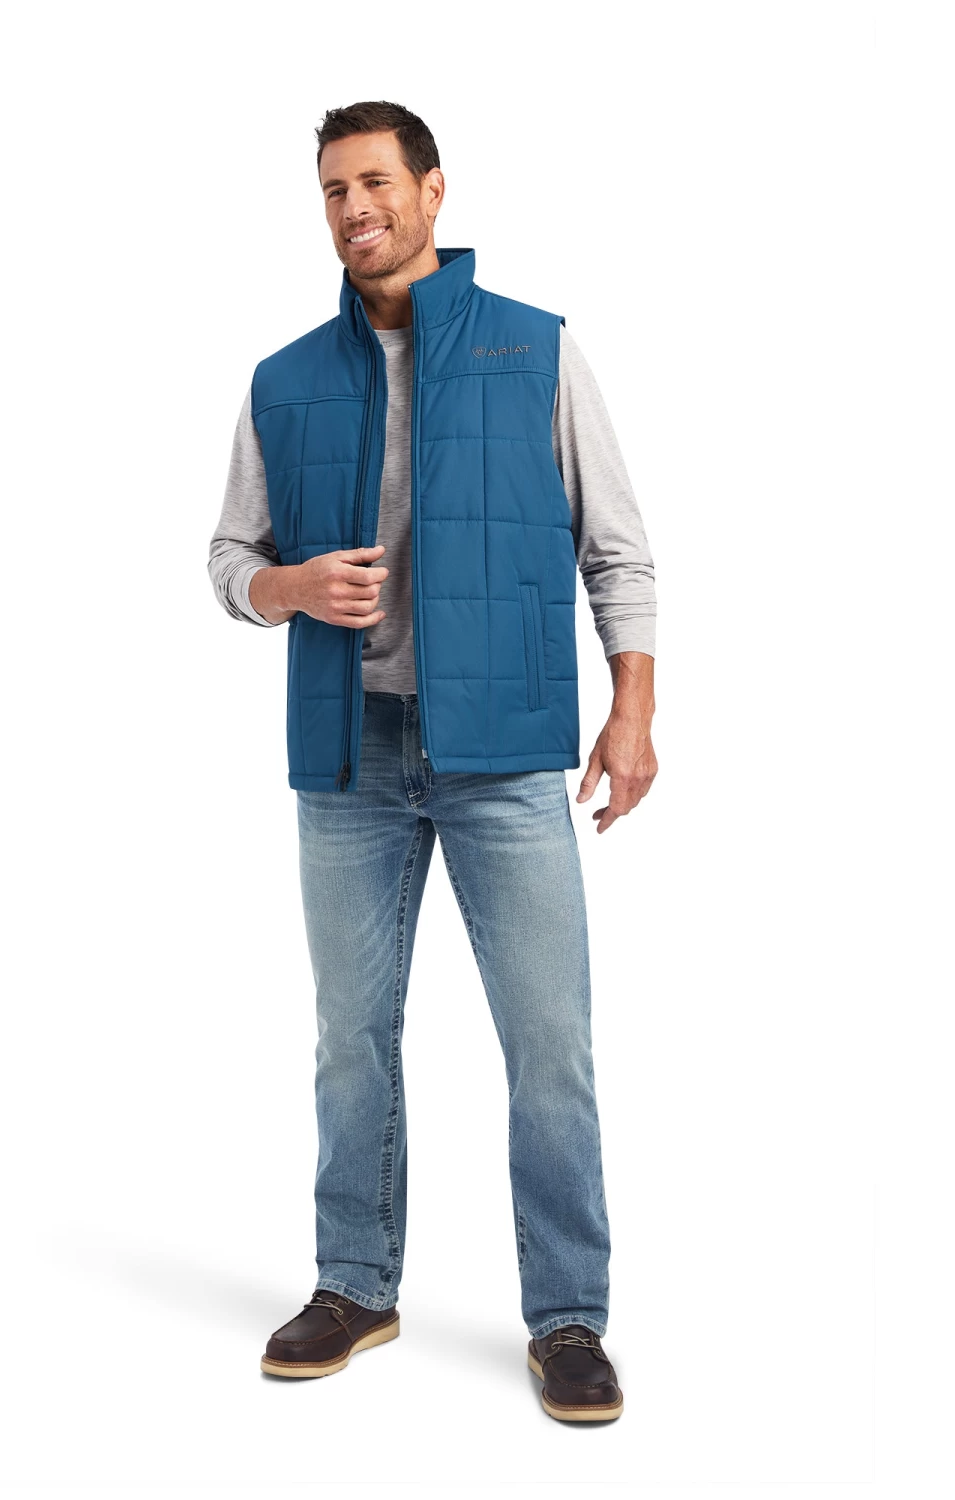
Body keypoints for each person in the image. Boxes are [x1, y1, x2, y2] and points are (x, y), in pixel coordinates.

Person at [206, 100, 658, 1423]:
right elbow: (228, 559)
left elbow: (616, 545)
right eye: (333, 190)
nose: (355, 208)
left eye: (375, 183)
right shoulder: (283, 378)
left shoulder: (537, 349)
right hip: (351, 757)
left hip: (505, 754)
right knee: (349, 1039)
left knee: (550, 1042)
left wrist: (632, 709)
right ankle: (355, 1285)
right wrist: (286, 588)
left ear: (433, 191)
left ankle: (568, 1317)